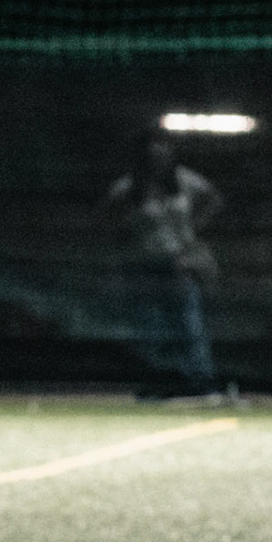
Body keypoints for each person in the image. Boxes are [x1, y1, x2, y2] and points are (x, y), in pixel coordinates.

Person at [106, 128, 223, 397]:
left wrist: (194, 228)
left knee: (189, 322)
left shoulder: (184, 181)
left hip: (181, 262)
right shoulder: (131, 186)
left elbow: (214, 198)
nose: (158, 159)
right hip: (147, 263)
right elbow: (108, 212)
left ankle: (200, 380)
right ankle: (161, 379)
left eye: (163, 153)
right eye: (152, 154)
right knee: (151, 325)